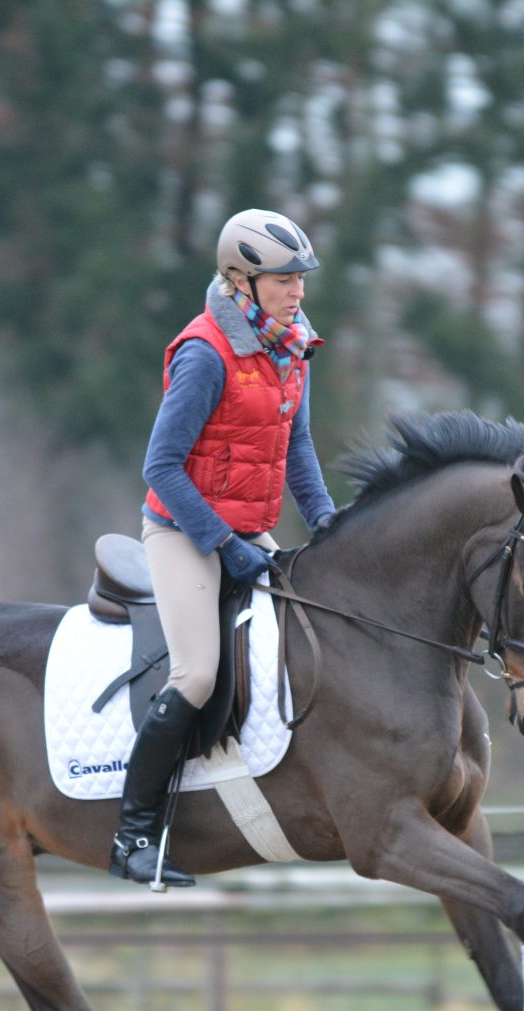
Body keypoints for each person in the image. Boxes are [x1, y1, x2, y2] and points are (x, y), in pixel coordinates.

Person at [109, 208, 336, 887]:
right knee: (199, 674)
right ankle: (132, 834)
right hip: (181, 530)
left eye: (300, 279)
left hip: (244, 530)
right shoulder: (206, 352)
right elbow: (161, 468)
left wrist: (326, 521)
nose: (296, 291)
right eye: (283, 280)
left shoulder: (291, 347)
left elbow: (296, 447)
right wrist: (222, 544)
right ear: (241, 279)